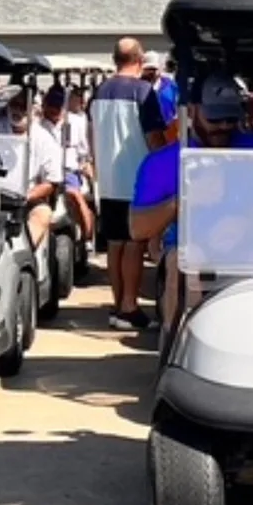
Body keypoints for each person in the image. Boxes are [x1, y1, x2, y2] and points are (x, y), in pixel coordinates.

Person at [130, 74, 253, 329]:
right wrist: (182, 201)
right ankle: (182, 344)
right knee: (183, 265)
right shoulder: (163, 163)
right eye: (215, 119)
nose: (224, 126)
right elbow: (138, 229)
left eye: (231, 118)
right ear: (193, 111)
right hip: (189, 249)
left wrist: (248, 224)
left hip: (250, 245)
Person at [88, 38, 167, 330]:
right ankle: (130, 307)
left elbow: (91, 134)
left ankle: (118, 304)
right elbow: (154, 137)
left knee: (115, 244)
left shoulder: (99, 92)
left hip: (108, 178)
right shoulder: (142, 91)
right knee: (135, 244)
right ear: (139, 58)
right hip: (136, 176)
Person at [6, 87, 64, 248]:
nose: (17, 111)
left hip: (27, 198)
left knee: (42, 213)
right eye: (14, 105)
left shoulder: (44, 139)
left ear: (33, 110)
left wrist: (26, 195)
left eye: (22, 106)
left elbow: (51, 182)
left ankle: (22, 255)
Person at [59, 85, 95, 240]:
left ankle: (87, 235)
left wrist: (85, 163)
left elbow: (83, 148)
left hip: (71, 167)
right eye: (76, 97)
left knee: (76, 195)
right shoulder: (50, 120)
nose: (80, 101)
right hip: (56, 167)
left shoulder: (80, 118)